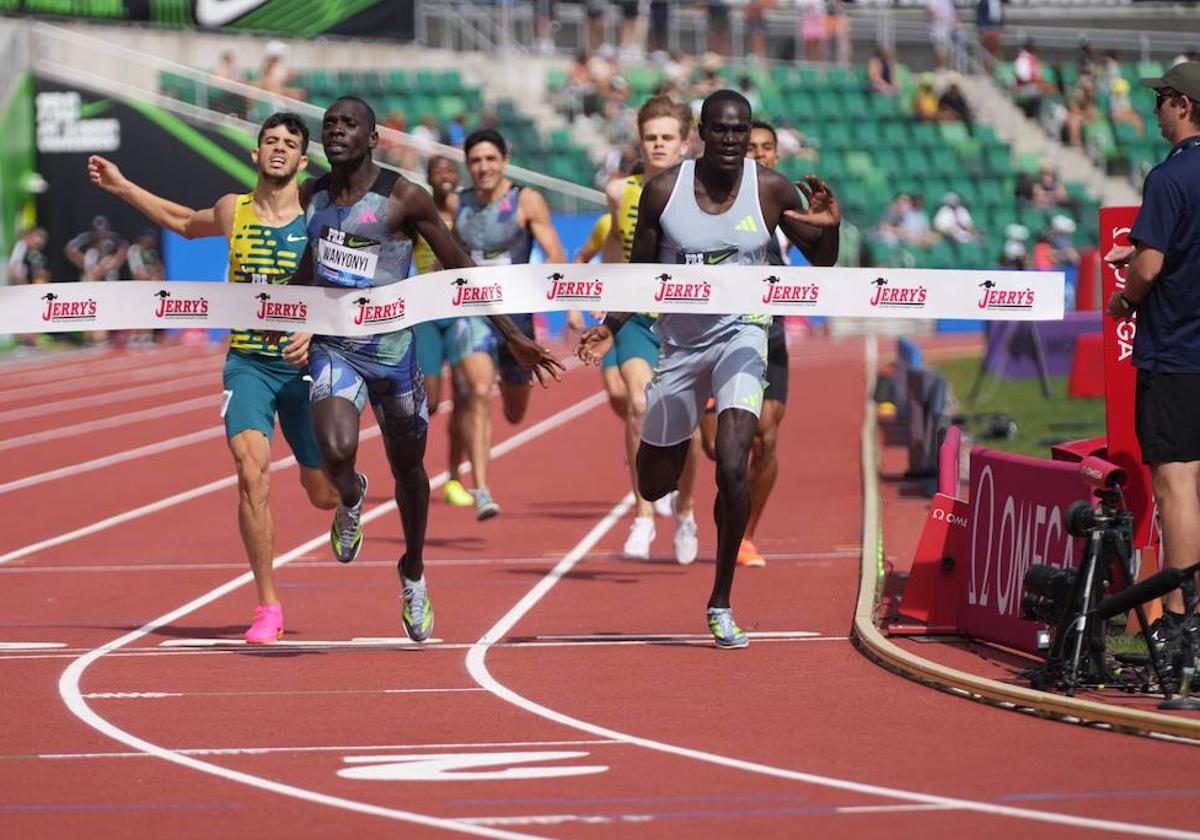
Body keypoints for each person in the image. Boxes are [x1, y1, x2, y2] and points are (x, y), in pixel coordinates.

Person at [577, 90, 840, 647]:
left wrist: (830, 226)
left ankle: (720, 600)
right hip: (680, 346)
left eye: (739, 131)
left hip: (744, 335)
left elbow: (823, 260)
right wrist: (613, 325)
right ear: (700, 132)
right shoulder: (664, 192)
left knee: (732, 461)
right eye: (719, 130)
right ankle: (671, 481)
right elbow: (639, 272)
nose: (729, 140)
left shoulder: (768, 188)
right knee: (652, 482)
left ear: (748, 137)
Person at [293, 96, 562, 642]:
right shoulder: (312, 194)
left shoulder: (403, 196)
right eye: (330, 125)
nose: (337, 132)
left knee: (410, 471)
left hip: (393, 351)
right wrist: (284, 311)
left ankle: (412, 570)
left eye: (350, 125)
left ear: (373, 138)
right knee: (335, 450)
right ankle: (350, 497)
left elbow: (460, 268)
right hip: (334, 346)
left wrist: (511, 336)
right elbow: (311, 261)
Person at [86, 113, 340, 644]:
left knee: (321, 493)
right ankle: (267, 604)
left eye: (289, 144)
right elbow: (181, 220)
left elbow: (347, 289)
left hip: (304, 369)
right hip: (247, 363)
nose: (278, 149)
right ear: (255, 154)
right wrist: (123, 185)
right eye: (269, 141)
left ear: (302, 160)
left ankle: (347, 495)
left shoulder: (320, 218)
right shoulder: (234, 210)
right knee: (252, 473)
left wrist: (316, 335)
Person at [1105, 61, 1200, 685]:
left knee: (1177, 487)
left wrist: (1124, 297)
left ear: (1184, 104)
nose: (1157, 109)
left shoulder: (1169, 177)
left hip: (1177, 355)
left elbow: (1151, 266)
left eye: (1163, 98)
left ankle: (1183, 625)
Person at [601, 96, 701, 564]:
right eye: (651, 138)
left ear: (685, 142)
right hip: (636, 316)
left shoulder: (701, 191)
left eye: (667, 138)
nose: (658, 146)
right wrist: (599, 304)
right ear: (640, 141)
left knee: (689, 429)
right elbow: (612, 252)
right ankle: (643, 517)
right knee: (639, 406)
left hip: (687, 322)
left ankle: (685, 512)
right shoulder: (621, 191)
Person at [453, 127, 571, 520]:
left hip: (516, 318)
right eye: (475, 161)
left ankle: (512, 378)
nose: (483, 167)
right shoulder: (458, 204)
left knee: (516, 412)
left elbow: (554, 252)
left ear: (504, 161)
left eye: (490, 159)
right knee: (478, 390)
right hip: (473, 314)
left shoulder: (526, 200)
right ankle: (482, 489)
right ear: (467, 165)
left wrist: (561, 298)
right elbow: (438, 257)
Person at [698, 120, 796, 568]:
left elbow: (822, 256)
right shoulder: (713, 199)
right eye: (751, 147)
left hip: (768, 332)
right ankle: (728, 512)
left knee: (766, 436)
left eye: (766, 148)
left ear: (776, 155)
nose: (758, 154)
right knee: (717, 448)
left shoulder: (785, 205)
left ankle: (746, 535)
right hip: (714, 332)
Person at [411, 154, 491, 510]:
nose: (443, 175)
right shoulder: (416, 213)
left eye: (448, 170)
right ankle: (413, 471)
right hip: (427, 310)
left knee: (464, 392)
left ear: (456, 177)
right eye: (435, 171)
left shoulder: (469, 212)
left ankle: (454, 476)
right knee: (430, 400)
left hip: (460, 309)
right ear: (428, 178)